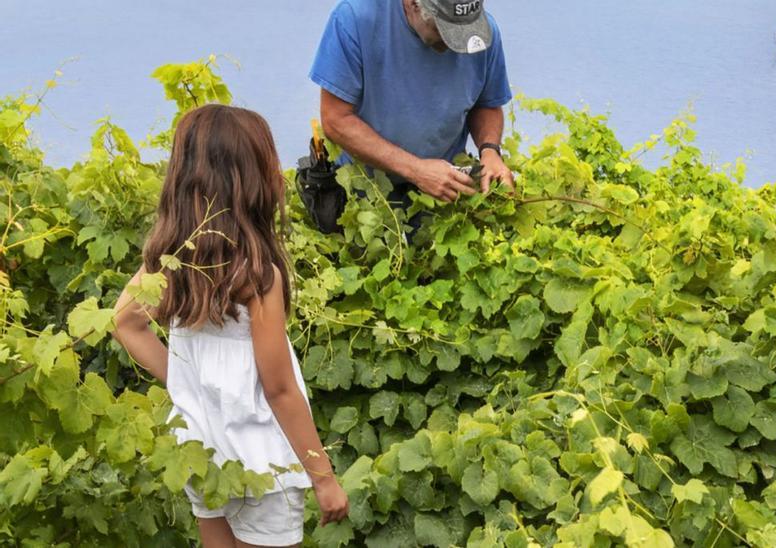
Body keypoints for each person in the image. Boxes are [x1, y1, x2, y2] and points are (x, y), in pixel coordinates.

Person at [112, 104, 349, 547]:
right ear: (252, 180)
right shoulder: (257, 276)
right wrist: (323, 477)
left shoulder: (168, 263)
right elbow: (279, 390)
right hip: (262, 465)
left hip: (203, 453)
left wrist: (186, 383)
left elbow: (125, 324)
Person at [310, 0, 514, 208]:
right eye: (444, 29)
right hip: (362, 196)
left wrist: (489, 150)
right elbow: (336, 119)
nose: (456, 43)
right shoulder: (355, 18)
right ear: (413, 4)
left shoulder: (480, 34)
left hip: (442, 197)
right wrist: (416, 169)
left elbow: (485, 103)